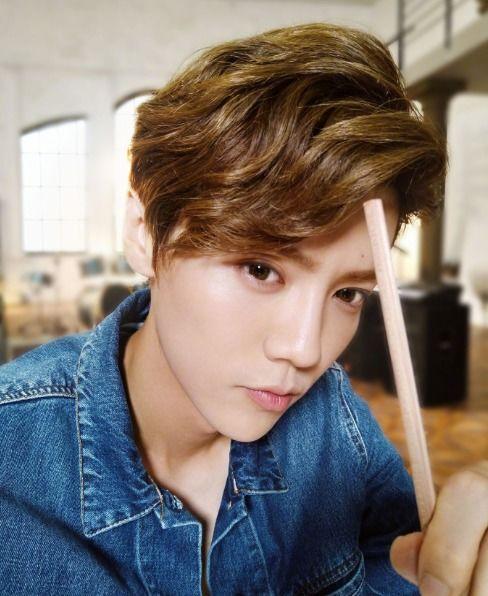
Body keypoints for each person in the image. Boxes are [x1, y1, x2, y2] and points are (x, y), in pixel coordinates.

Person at [0, 22, 487, 596]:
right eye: (260, 269)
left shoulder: (337, 422)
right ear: (143, 230)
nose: (306, 351)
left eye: (348, 293)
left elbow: (404, 567)